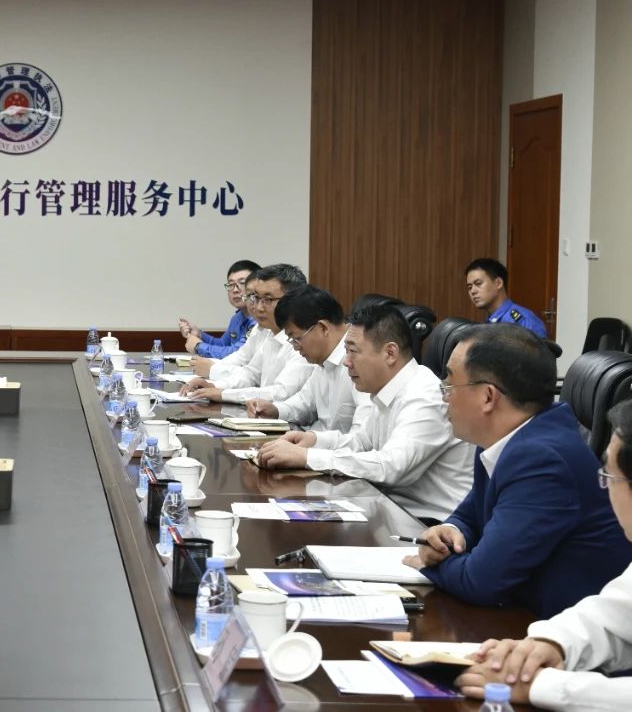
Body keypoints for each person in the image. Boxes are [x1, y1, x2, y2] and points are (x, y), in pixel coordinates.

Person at [401, 325, 631, 617]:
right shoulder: (504, 438)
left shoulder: (541, 459)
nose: (443, 395)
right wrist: (450, 531)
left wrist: (430, 562)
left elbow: (481, 581)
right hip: (520, 612)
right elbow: (471, 515)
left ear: (488, 397)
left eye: (449, 383)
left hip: (560, 628)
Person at [457, 399, 632, 708]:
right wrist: (548, 644)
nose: (606, 490)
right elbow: (615, 615)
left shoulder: (542, 455)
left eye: (609, 477)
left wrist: (541, 685)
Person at [257, 302, 474, 522]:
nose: (346, 362)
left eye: (353, 351)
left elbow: (390, 467)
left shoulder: (424, 396)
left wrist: (307, 457)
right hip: (388, 509)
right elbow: (361, 443)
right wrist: (313, 441)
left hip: (429, 524)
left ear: (390, 353)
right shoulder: (388, 389)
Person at [180, 265, 312, 404]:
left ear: (292, 301)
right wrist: (213, 386)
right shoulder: (270, 333)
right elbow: (251, 374)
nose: (258, 307)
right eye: (257, 298)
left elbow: (281, 393)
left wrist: (223, 393)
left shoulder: (304, 341)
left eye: (267, 299)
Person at [247, 285, 368, 434]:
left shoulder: (359, 361)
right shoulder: (323, 360)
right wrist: (275, 410)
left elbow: (361, 437)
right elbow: (304, 403)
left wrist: (312, 442)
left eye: (297, 339)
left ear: (323, 328)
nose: (295, 347)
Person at [179, 259, 259, 360]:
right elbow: (222, 345)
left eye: (242, 283)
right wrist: (199, 334)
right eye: (231, 284)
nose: (235, 289)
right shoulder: (237, 318)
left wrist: (198, 346)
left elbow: (238, 354)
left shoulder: (260, 318)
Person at [465, 258, 547, 337]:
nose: (473, 291)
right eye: (469, 287)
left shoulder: (523, 321)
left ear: (498, 283)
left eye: (478, 283)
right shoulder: (488, 323)